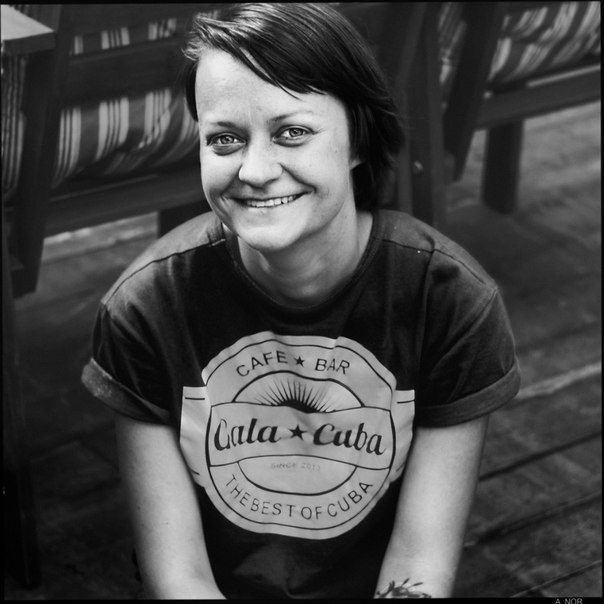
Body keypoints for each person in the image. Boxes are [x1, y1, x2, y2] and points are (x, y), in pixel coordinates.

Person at [81, 3, 520, 599]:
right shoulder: (144, 310)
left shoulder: (451, 302)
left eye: (292, 132)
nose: (256, 170)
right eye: (225, 139)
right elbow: (177, 576)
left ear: (358, 139)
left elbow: (419, 562)